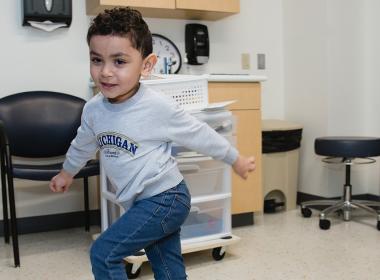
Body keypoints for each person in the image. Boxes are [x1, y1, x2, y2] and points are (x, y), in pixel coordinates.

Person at [49, 7, 255, 280]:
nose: (106, 72)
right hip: (142, 203)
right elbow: (82, 145)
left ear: (146, 65)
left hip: (166, 198)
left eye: (119, 61)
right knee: (167, 268)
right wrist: (66, 172)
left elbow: (200, 133)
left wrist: (234, 158)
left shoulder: (157, 107)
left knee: (104, 253)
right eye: (97, 60)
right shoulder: (94, 110)